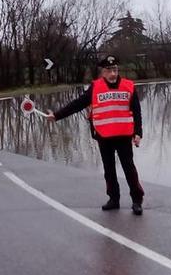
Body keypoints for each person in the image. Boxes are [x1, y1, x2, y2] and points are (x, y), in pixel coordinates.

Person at [46, 55, 145, 215]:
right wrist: (57, 116)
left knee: (129, 169)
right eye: (108, 70)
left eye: (115, 70)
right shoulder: (95, 87)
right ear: (102, 72)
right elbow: (77, 104)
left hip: (124, 135)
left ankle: (136, 200)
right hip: (103, 136)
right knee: (109, 169)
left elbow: (137, 112)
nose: (113, 74)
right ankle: (114, 199)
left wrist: (138, 133)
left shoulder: (128, 86)